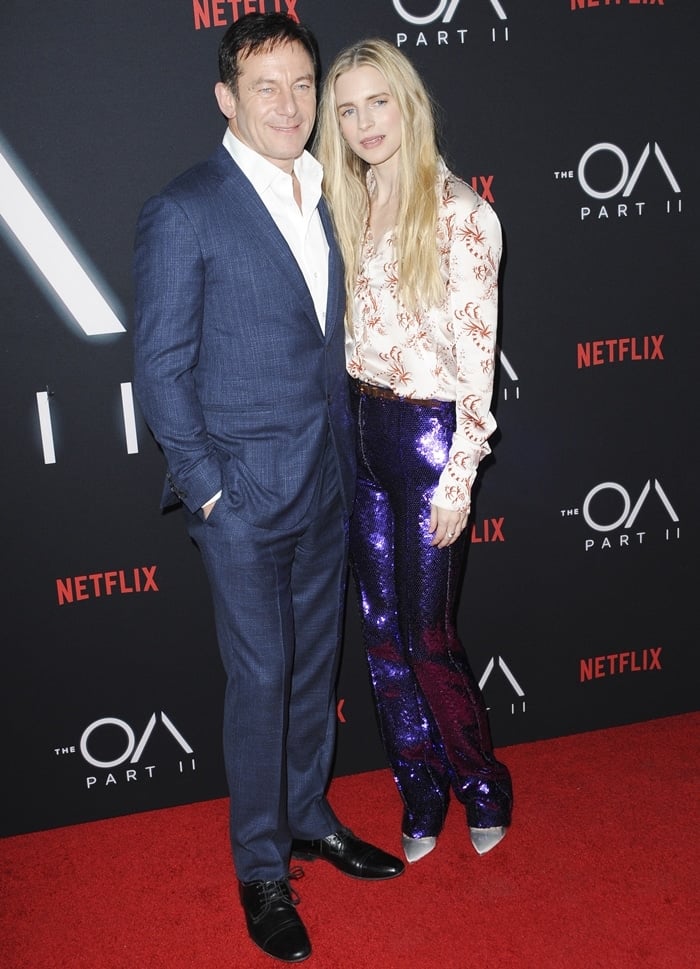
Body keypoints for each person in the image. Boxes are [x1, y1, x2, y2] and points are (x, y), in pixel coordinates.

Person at [132, 15, 403, 964]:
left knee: (308, 671)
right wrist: (210, 494)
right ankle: (259, 866)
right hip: (242, 503)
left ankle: (305, 813)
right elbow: (160, 370)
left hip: (326, 485)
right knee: (258, 679)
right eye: (265, 89)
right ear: (226, 100)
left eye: (301, 85)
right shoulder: (187, 209)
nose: (288, 105)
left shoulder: (333, 193)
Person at [315, 39, 513, 865]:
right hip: (362, 428)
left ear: (408, 103)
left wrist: (458, 477)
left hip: (431, 440)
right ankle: (420, 786)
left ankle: (481, 784)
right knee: (382, 630)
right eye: (348, 108)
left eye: (378, 102)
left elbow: (478, 366)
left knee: (429, 636)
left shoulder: (463, 213)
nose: (364, 122)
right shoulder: (349, 198)